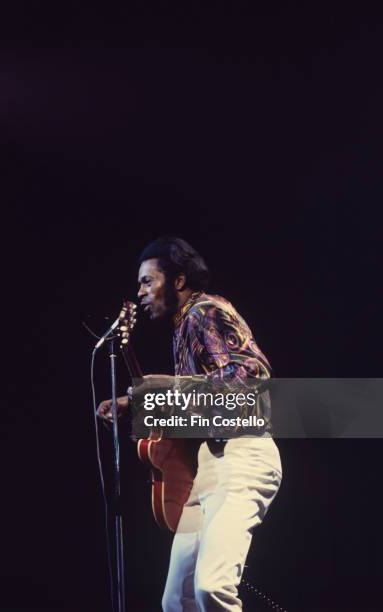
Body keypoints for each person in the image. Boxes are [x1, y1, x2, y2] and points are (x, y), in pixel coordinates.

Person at [97, 236, 282, 612]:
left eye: (148, 281)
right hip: (210, 466)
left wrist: (150, 391)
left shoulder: (205, 312)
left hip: (243, 456)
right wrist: (134, 404)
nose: (140, 292)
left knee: (211, 588)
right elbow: (199, 402)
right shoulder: (182, 329)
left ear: (178, 280)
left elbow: (251, 377)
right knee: (176, 601)